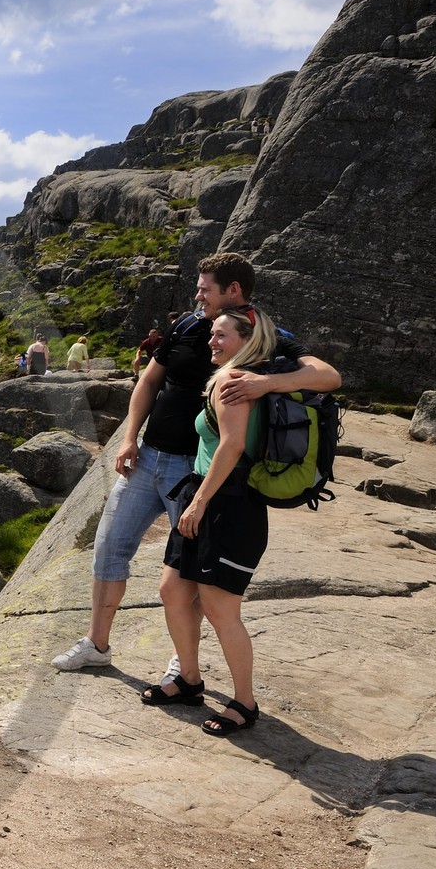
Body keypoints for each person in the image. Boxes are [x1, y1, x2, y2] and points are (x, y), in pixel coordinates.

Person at [50, 252, 341, 675]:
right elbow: (150, 380)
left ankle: (181, 662)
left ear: (233, 291)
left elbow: (328, 376)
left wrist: (267, 382)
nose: (198, 295)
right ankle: (97, 644)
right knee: (110, 548)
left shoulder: (261, 334)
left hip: (195, 471)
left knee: (191, 574)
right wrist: (130, 437)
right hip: (147, 457)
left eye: (205, 288)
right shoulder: (187, 326)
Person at [148, 307, 274, 735]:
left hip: (228, 504)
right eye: (212, 335)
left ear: (246, 340)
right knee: (173, 589)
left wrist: (199, 502)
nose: (211, 342)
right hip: (208, 494)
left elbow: (233, 444)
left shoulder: (232, 381)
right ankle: (188, 679)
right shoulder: (240, 377)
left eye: (221, 335)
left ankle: (244, 703)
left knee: (221, 608)